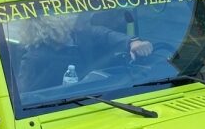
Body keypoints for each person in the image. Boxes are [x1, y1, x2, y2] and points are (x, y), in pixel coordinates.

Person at [17, 11, 153, 93]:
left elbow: (106, 35)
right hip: (62, 106)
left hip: (99, 93)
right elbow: (26, 94)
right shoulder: (35, 58)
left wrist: (133, 42)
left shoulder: (80, 34)